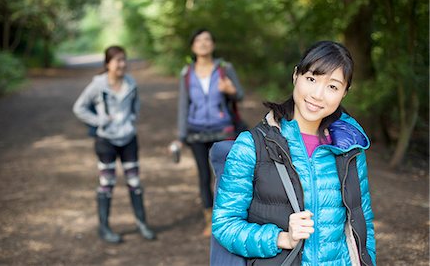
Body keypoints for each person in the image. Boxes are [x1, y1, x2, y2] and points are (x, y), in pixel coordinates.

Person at [212, 41, 376, 265]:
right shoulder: (253, 145)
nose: (318, 95)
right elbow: (225, 224)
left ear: (344, 93)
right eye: (311, 79)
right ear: (295, 76)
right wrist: (281, 238)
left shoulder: (351, 147)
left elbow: (363, 221)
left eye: (333, 87)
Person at [73, 45, 155, 243]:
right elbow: (79, 108)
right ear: (107, 64)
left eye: (124, 59)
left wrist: (130, 120)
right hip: (106, 141)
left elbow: (136, 106)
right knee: (107, 184)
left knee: (135, 183)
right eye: (117, 60)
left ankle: (142, 223)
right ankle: (104, 228)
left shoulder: (131, 83)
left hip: (129, 140)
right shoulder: (97, 85)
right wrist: (99, 121)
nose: (122, 64)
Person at [172, 29, 244, 237]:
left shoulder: (224, 68)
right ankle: (209, 220)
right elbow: (183, 105)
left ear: (213, 44)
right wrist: (181, 134)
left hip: (223, 128)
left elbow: (239, 94)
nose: (203, 44)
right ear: (193, 46)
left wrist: (230, 90)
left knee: (225, 174)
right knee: (204, 176)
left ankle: (229, 218)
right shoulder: (186, 73)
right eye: (198, 40)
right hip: (196, 131)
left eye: (207, 40)